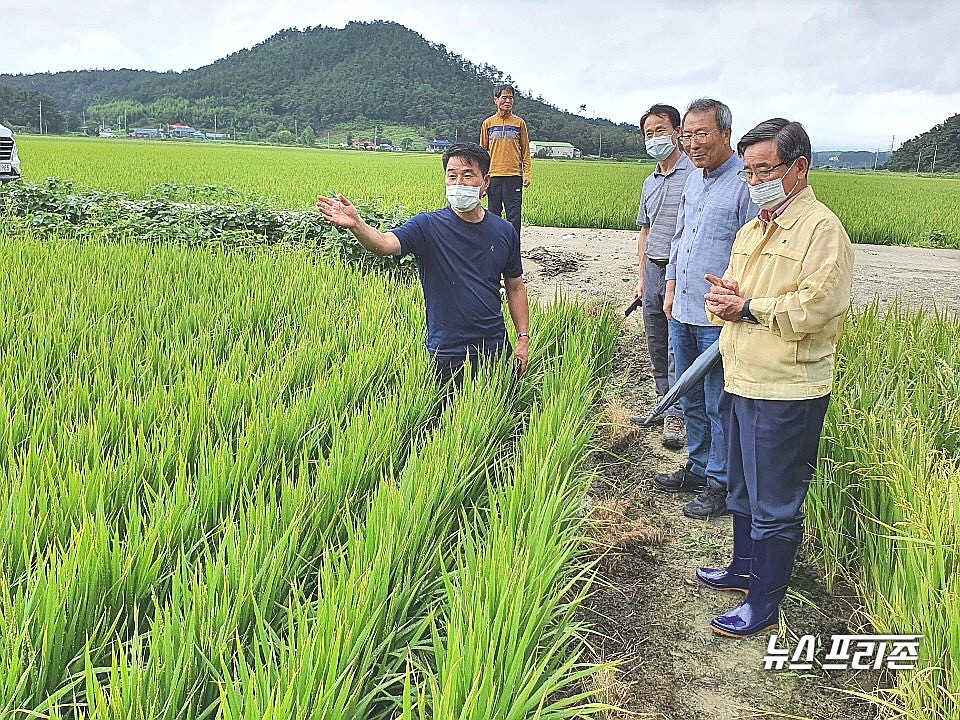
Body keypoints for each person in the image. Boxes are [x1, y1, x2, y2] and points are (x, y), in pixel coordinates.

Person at [698, 118, 853, 638]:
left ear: (799, 168)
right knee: (743, 487)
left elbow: (817, 304)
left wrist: (746, 307)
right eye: (748, 171)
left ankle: (764, 602)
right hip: (743, 376)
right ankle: (743, 568)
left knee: (776, 500)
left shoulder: (821, 229)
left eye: (765, 169)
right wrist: (726, 298)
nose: (755, 179)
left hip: (788, 388)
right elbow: (743, 293)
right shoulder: (754, 226)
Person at [316, 142, 530, 391]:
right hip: (448, 350)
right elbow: (385, 244)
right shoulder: (427, 226)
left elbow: (515, 287)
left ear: (486, 183)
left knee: (497, 417)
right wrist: (357, 225)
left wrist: (523, 338)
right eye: (452, 176)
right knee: (448, 423)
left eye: (468, 175)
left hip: (495, 345)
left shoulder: (503, 231)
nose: (458, 182)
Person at [656, 98, 758, 520]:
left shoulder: (744, 184)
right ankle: (697, 466)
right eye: (688, 135)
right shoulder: (694, 181)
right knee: (689, 394)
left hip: (718, 317)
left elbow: (754, 253)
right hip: (682, 309)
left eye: (703, 134)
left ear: (725, 135)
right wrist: (671, 287)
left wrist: (738, 302)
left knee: (719, 400)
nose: (694, 143)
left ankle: (720, 480)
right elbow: (679, 239)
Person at [630, 104, 693, 449]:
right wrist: (641, 276)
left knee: (676, 343)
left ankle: (678, 415)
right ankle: (661, 403)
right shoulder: (649, 182)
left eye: (660, 130)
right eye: (648, 133)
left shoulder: (694, 175)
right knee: (655, 339)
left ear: (678, 131)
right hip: (653, 267)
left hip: (681, 270)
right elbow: (645, 231)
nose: (655, 138)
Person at [480, 84, 532, 239]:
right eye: (504, 97)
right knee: (493, 216)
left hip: (514, 176)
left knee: (514, 217)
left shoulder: (519, 123)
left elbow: (526, 151)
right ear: (496, 100)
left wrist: (527, 173)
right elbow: (482, 153)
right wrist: (482, 180)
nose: (508, 101)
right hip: (493, 177)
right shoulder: (488, 124)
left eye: (511, 98)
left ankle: (513, 251)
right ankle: (494, 248)